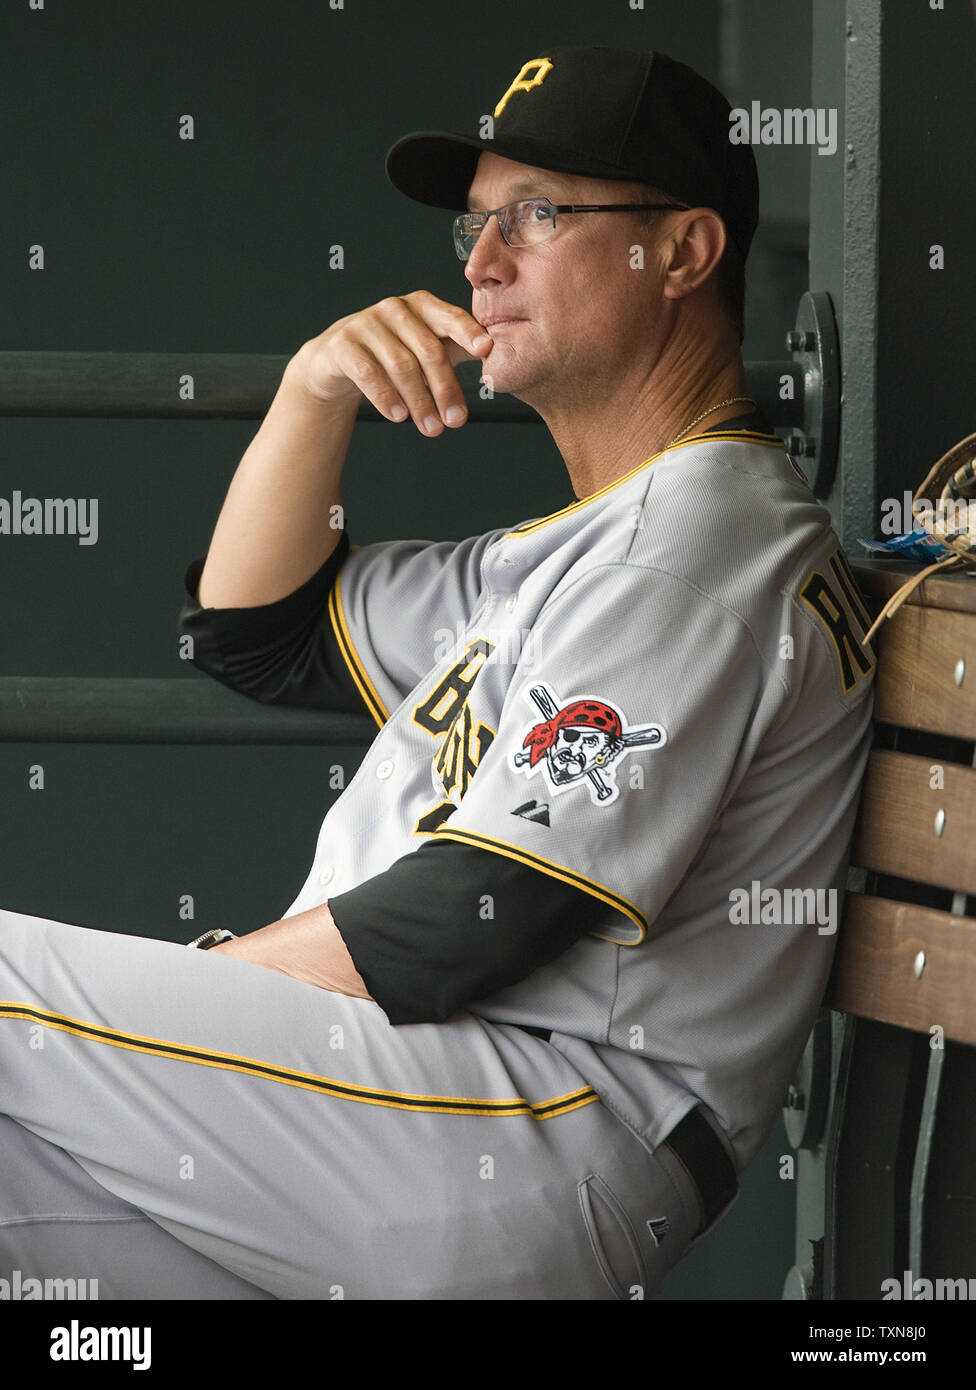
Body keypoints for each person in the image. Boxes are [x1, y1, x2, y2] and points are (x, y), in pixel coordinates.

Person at [0, 44, 875, 1301]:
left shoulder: (691, 549)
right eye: (478, 221)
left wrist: (186, 1002)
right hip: (393, 1119)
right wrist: (312, 391)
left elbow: (477, 916)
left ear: (682, 254)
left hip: (535, 1125)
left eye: (537, 215)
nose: (479, 262)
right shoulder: (578, 547)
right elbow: (261, 632)